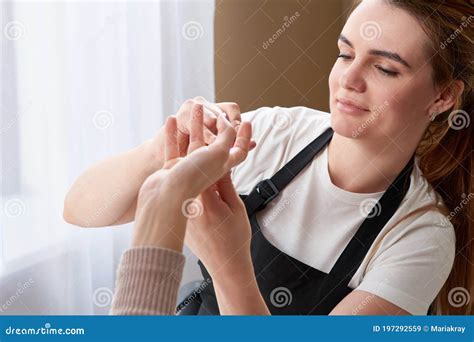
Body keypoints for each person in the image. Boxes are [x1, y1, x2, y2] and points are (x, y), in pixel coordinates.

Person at [64, 0, 473, 315]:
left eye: (384, 68)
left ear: (442, 97)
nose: (348, 79)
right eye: (345, 54)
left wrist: (229, 265)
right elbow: (81, 210)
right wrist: (162, 147)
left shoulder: (419, 238)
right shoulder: (272, 134)